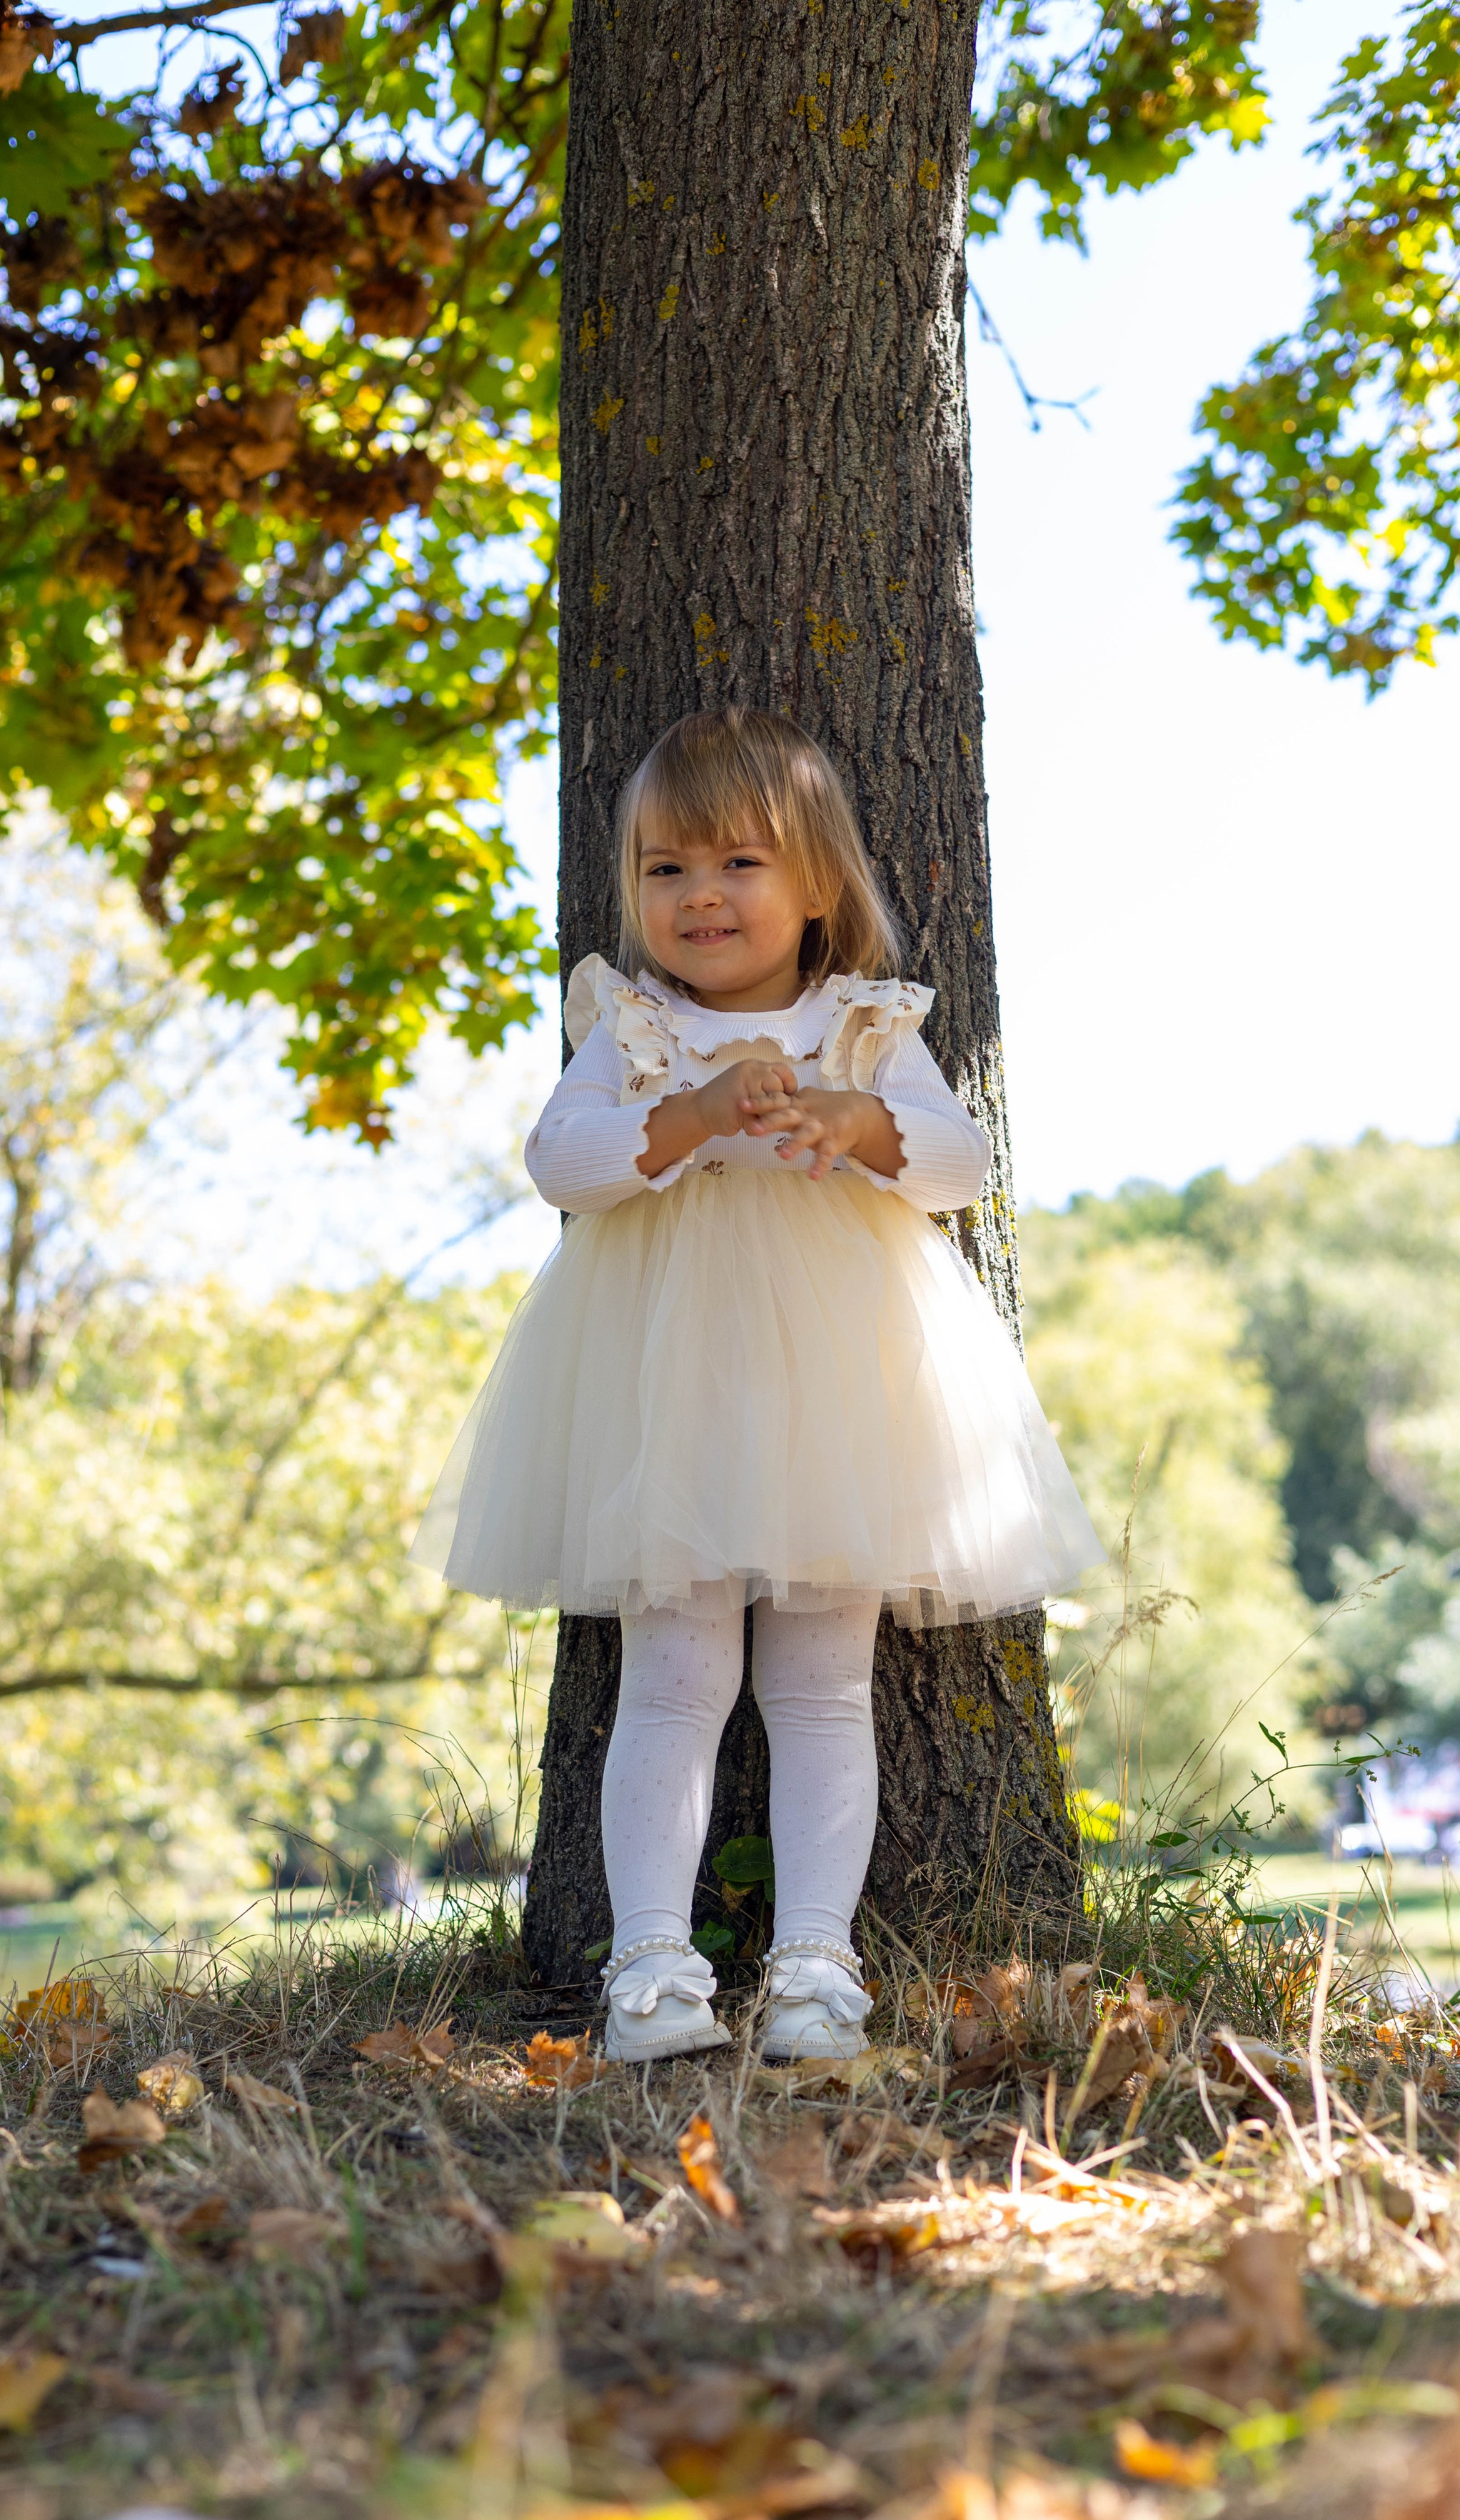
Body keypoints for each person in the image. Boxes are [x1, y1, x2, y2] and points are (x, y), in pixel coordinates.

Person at [413, 708, 1099, 2064]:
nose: (701, 896)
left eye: (738, 863)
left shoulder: (863, 1026)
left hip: (842, 1401)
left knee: (824, 1684)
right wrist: (698, 1115)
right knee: (671, 1679)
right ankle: (653, 1964)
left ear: (816, 890)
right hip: (666, 1392)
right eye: (667, 870)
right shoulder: (634, 1021)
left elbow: (962, 1168)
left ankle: (813, 1964)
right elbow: (563, 1164)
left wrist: (857, 1122)